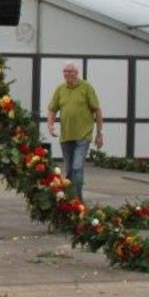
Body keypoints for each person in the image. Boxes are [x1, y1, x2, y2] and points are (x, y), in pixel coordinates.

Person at [46, 62, 102, 200]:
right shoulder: (60, 89)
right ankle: (71, 199)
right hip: (66, 136)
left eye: (70, 71)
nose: (67, 74)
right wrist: (50, 125)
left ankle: (78, 200)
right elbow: (52, 109)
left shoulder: (86, 87)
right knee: (70, 170)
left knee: (77, 167)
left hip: (83, 135)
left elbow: (97, 110)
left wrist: (100, 133)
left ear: (77, 73)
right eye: (65, 71)